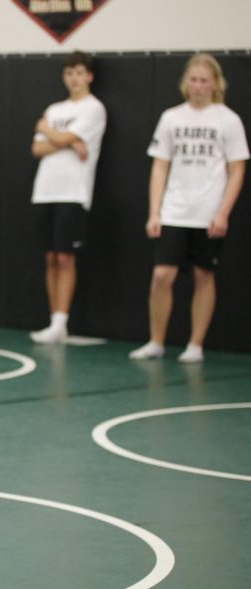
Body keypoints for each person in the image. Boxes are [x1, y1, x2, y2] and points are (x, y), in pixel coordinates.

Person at [129, 54, 248, 363]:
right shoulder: (171, 118)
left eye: (204, 80)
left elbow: (237, 170)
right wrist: (155, 212)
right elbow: (159, 168)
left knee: (203, 275)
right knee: (162, 276)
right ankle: (156, 341)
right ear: (186, 83)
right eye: (193, 79)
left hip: (208, 212)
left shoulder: (228, 119)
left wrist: (223, 212)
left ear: (215, 83)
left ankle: (195, 345)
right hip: (174, 211)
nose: (198, 86)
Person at [29, 51, 107, 344]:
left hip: (73, 192)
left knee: (65, 256)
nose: (73, 78)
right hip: (45, 191)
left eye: (78, 72)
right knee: (50, 256)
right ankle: (53, 322)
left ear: (89, 75)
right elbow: (38, 150)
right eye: (69, 73)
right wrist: (68, 142)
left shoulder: (93, 109)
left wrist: (46, 130)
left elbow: (54, 139)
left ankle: (62, 320)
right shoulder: (55, 108)